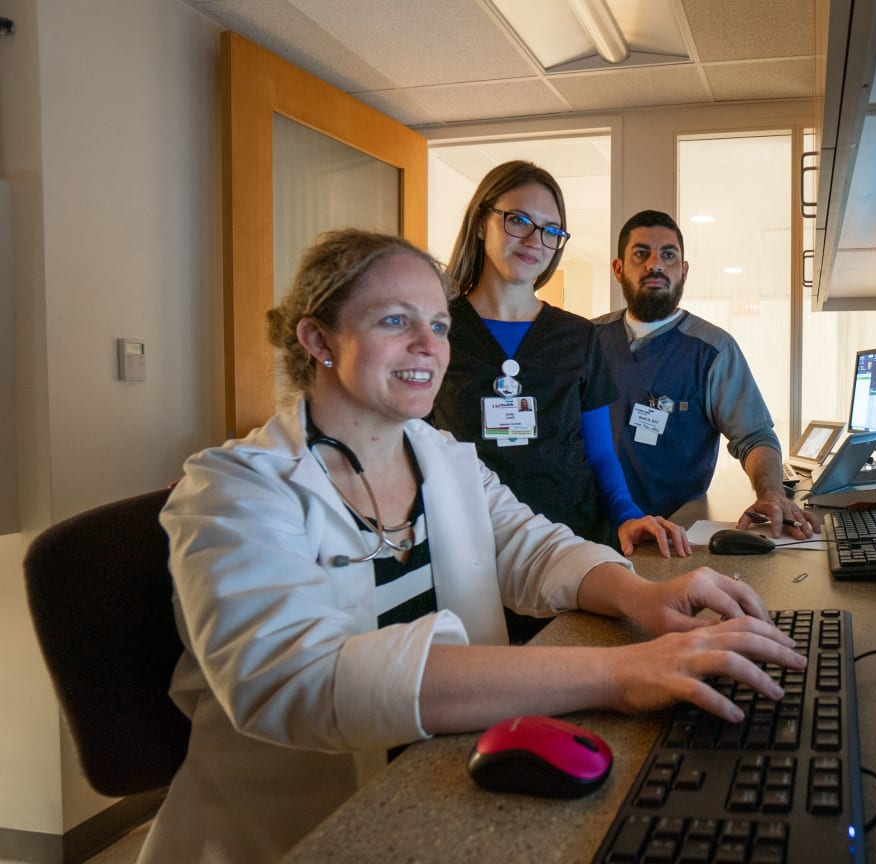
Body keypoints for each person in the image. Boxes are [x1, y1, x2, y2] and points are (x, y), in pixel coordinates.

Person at [141, 229, 804, 863]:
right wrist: (615, 674)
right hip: (299, 837)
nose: (429, 346)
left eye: (439, 324)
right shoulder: (233, 489)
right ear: (317, 338)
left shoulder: (446, 459)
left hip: (446, 787)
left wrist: (646, 594)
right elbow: (295, 678)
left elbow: (534, 547)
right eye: (395, 321)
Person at [430, 161, 688, 559]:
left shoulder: (579, 337)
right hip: (467, 550)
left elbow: (599, 452)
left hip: (570, 543)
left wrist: (627, 515)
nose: (536, 240)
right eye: (518, 220)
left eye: (551, 230)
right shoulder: (437, 331)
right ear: (482, 223)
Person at [594, 210, 820, 540]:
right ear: (618, 268)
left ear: (683, 271)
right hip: (588, 534)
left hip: (674, 538)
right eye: (641, 253)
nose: (655, 265)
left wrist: (771, 492)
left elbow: (754, 436)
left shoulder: (713, 350)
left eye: (668, 255)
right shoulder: (588, 340)